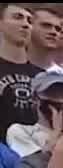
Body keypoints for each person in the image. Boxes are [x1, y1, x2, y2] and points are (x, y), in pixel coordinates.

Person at [0, 3, 42, 139]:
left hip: (36, 152)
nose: (25, 24)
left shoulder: (42, 75)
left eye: (29, 21)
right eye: (18, 17)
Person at [6, 69, 63, 157]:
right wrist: (56, 133)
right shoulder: (21, 131)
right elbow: (36, 166)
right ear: (35, 98)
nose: (57, 98)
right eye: (51, 93)